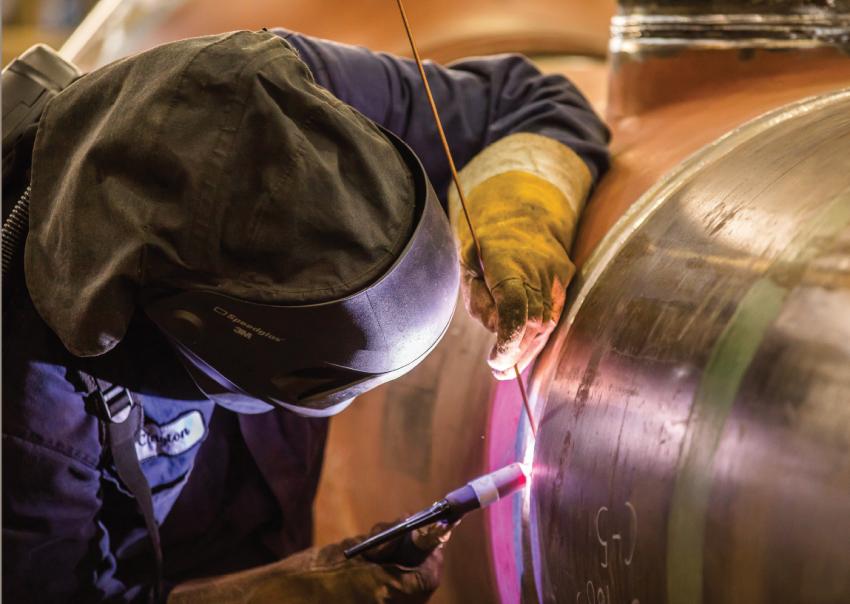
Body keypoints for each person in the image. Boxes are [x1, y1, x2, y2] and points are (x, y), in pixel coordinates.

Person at [2, 28, 609, 602]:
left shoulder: (283, 104)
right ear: (215, 329)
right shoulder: (30, 406)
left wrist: (519, 217)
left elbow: (524, 102)